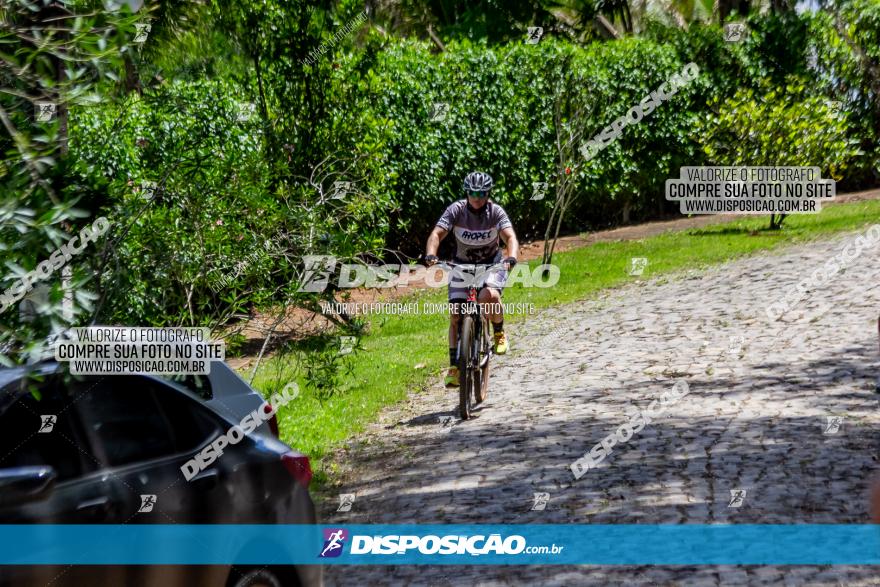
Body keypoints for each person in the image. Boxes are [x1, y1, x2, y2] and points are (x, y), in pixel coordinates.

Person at [424, 171, 519, 388]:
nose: (477, 197)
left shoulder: (495, 212)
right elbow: (436, 234)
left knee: (490, 295)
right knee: (456, 315)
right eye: (473, 192)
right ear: (467, 192)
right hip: (462, 265)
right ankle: (454, 367)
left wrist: (511, 257)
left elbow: (510, 237)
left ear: (488, 193)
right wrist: (431, 253)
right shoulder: (456, 210)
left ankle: (498, 332)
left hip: (492, 264)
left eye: (482, 193)